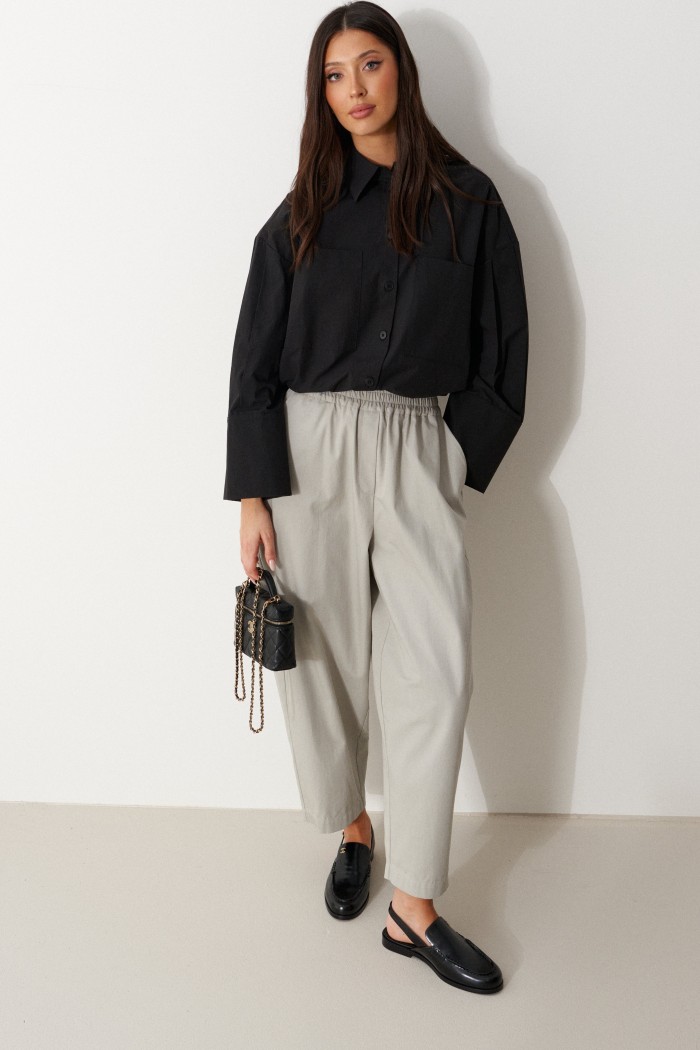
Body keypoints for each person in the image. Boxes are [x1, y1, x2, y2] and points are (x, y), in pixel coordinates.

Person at [223, 1, 528, 994]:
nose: (353, 89)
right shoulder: (304, 210)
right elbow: (254, 355)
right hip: (309, 451)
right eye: (333, 75)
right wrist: (255, 495)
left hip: (415, 446)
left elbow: (504, 349)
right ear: (321, 94)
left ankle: (415, 906)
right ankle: (353, 826)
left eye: (369, 64)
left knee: (436, 667)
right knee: (319, 660)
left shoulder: (470, 201)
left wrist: (449, 454)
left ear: (401, 70)